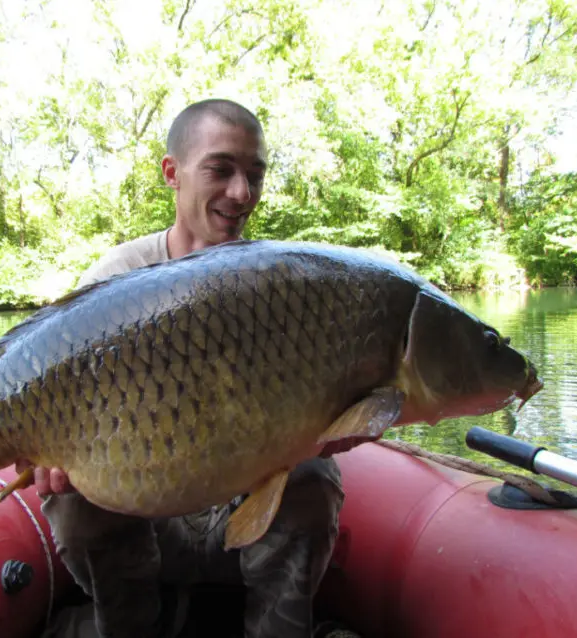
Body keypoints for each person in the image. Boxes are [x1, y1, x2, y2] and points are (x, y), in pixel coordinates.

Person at [26, 99, 362, 638]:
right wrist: (49, 455)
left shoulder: (284, 287)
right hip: (147, 533)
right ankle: (135, 626)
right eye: (221, 169)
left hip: (243, 524)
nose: (242, 193)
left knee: (314, 475)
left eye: (255, 175)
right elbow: (44, 381)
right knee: (71, 495)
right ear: (172, 173)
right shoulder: (115, 279)